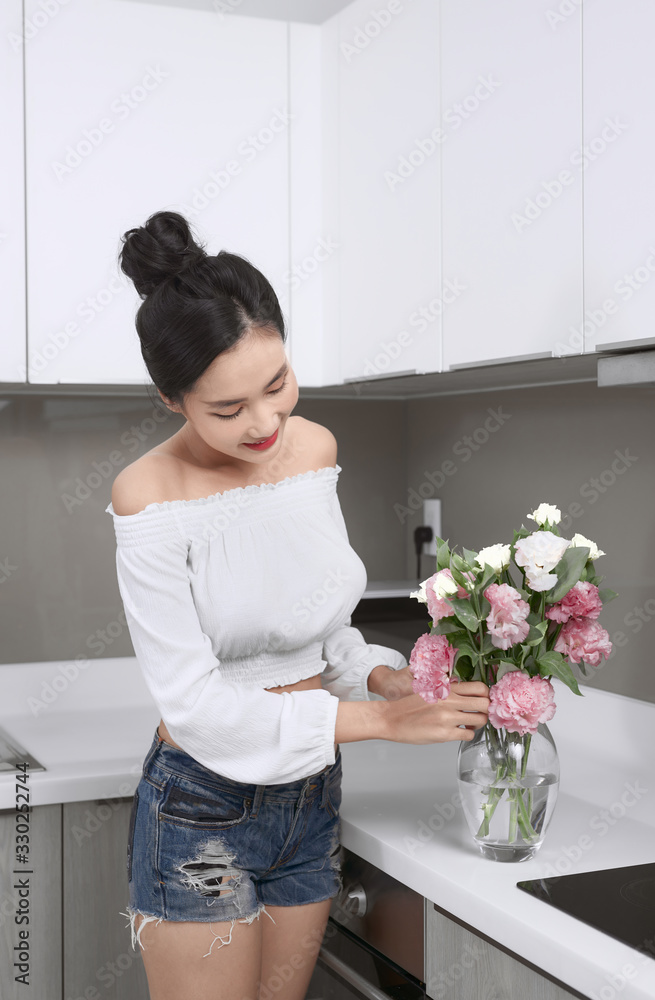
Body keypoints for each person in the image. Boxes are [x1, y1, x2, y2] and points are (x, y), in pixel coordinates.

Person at [106, 210, 490, 1000]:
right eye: (226, 409)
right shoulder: (147, 497)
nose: (265, 423)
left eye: (276, 384)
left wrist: (381, 680)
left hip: (312, 788)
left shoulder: (312, 451)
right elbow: (198, 705)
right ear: (170, 398)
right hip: (201, 805)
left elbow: (322, 630)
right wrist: (381, 723)